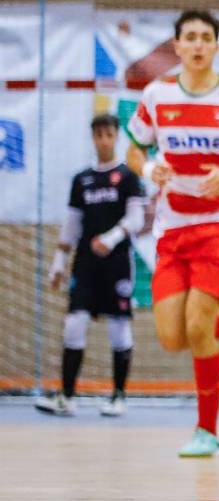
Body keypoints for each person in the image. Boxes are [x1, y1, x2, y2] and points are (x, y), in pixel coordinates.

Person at [125, 9, 219, 457]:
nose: (197, 44)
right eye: (189, 37)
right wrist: (150, 169)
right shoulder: (156, 95)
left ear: (216, 46)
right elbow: (134, 151)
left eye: (205, 37)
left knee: (197, 324)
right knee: (173, 337)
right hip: (173, 227)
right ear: (176, 45)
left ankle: (207, 432)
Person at [35, 114, 145, 417]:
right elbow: (72, 224)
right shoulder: (81, 180)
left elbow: (136, 219)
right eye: (99, 135)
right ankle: (67, 397)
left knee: (119, 327)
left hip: (117, 264)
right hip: (85, 264)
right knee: (74, 324)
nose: (104, 141)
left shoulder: (128, 177)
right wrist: (59, 261)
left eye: (109, 135)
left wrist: (110, 238)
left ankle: (119, 396)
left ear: (116, 137)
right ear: (93, 138)